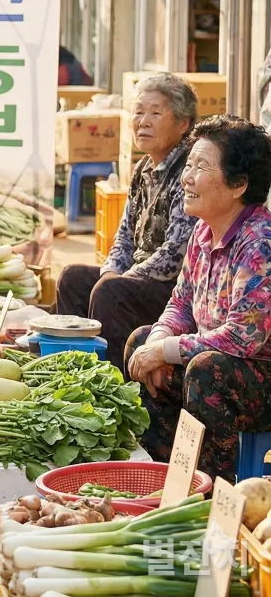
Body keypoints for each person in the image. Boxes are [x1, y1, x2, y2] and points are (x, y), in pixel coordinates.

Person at [124, 116, 271, 483]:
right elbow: (181, 303)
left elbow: (243, 337)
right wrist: (158, 341)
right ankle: (164, 475)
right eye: (188, 163)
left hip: (260, 377)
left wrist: (167, 350)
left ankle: (209, 488)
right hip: (220, 367)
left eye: (201, 167)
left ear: (238, 184)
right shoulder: (204, 230)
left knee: (205, 370)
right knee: (141, 342)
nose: (187, 176)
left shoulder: (260, 243)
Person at [57, 74, 197, 371]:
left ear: (182, 124)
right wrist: (111, 271)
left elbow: (175, 255)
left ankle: (112, 383)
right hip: (139, 276)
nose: (143, 121)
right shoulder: (143, 168)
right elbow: (124, 236)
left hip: (173, 288)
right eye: (138, 111)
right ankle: (72, 369)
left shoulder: (189, 171)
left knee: (110, 292)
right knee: (72, 278)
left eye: (156, 113)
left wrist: (122, 278)